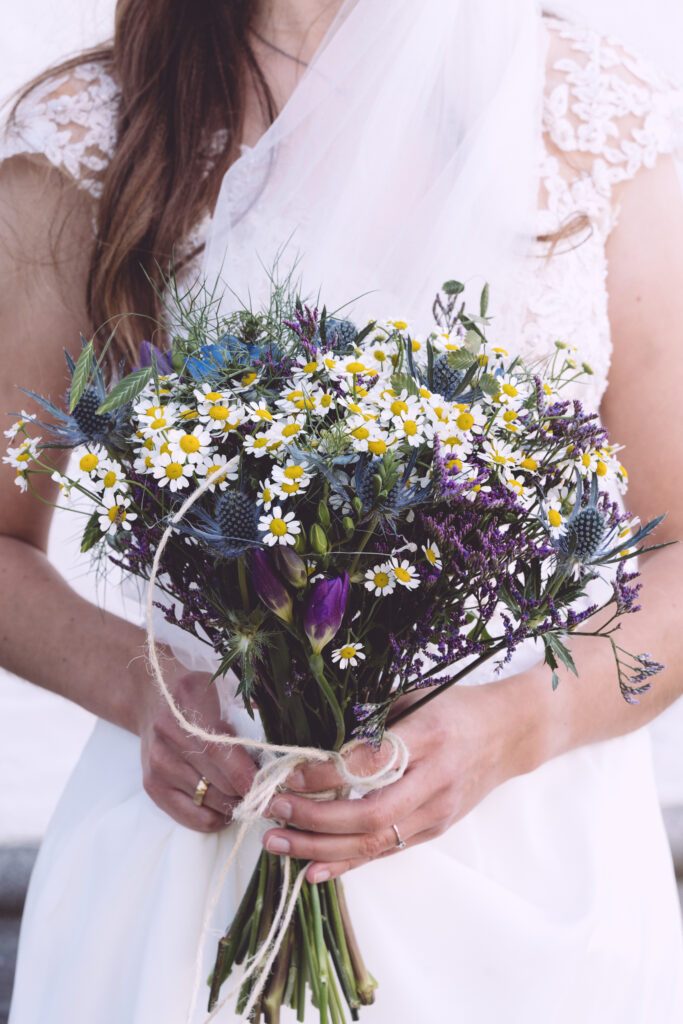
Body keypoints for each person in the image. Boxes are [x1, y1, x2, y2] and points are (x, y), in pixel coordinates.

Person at [1, 1, 682, 1021]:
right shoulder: (97, 130)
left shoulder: (589, 120)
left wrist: (516, 726)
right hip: (200, 862)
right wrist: (146, 692)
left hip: (535, 893)